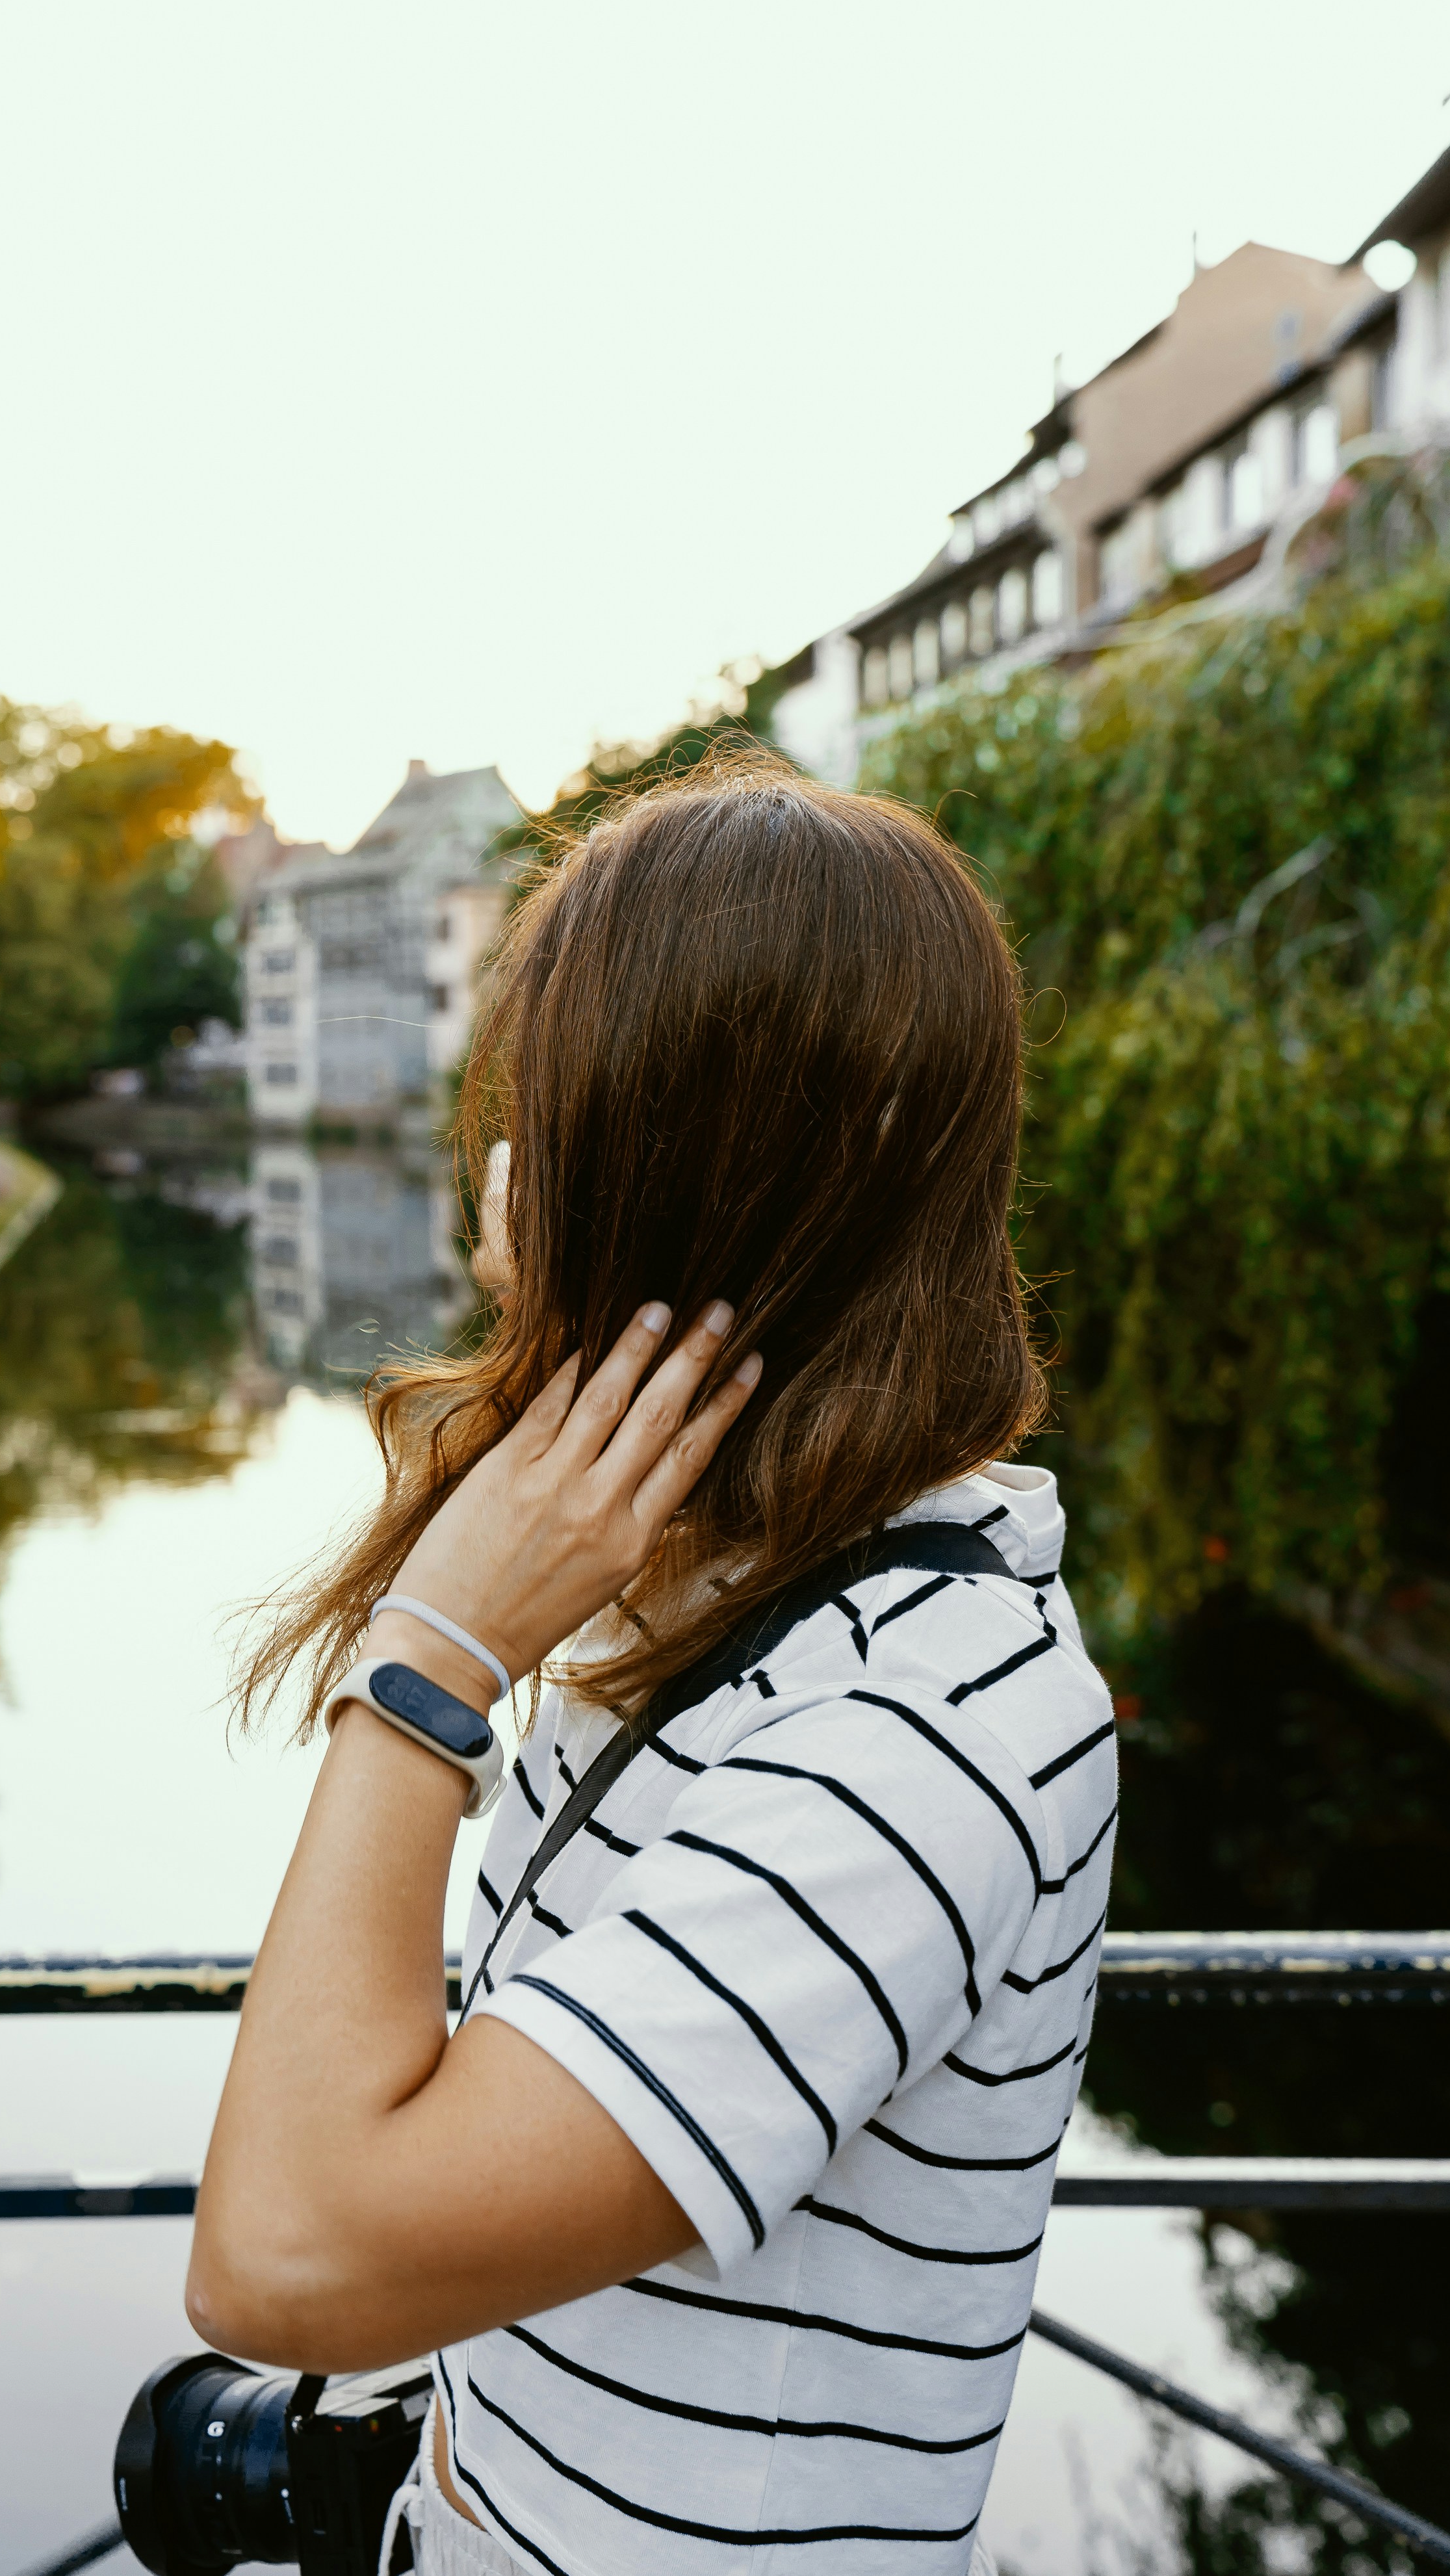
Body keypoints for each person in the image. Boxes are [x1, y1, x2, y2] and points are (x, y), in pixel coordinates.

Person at [188, 761, 1118, 2576]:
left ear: (665, 1181)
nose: (501, 1175)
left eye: (545, 1112)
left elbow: (285, 2256)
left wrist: (425, 1670)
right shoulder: (725, 1597)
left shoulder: (908, 1732)